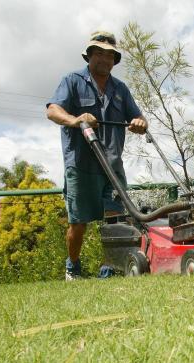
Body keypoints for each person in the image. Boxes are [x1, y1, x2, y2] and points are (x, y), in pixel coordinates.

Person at [46, 31, 148, 280]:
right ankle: (73, 266)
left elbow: (139, 117)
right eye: (99, 53)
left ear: (115, 60)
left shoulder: (120, 89)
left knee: (117, 219)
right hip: (81, 164)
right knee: (78, 223)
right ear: (89, 56)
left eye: (109, 55)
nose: (104, 59)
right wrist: (76, 119)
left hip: (112, 164)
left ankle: (110, 267)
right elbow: (52, 110)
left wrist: (138, 122)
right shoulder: (72, 80)